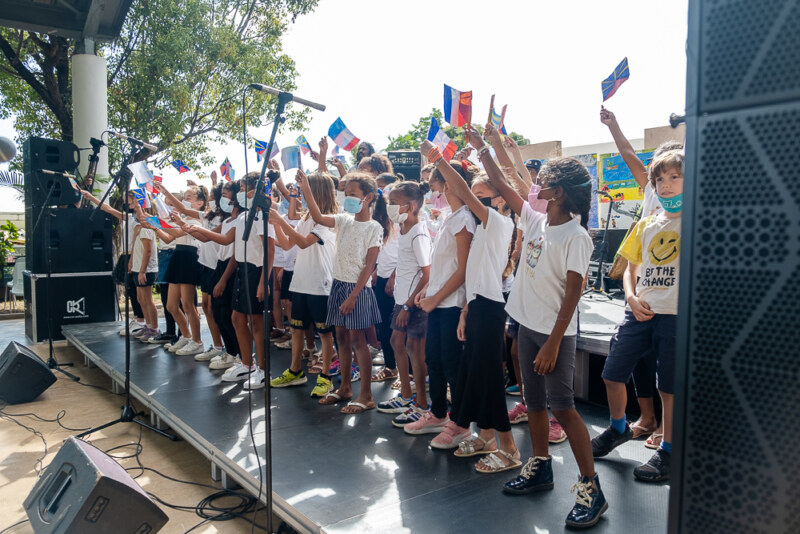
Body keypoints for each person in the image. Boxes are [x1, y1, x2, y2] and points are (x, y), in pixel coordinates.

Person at [419, 137, 521, 475]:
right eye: (474, 197)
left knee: (490, 380)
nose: (473, 202)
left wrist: (438, 158)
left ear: (502, 202)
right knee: (476, 377)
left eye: (481, 198)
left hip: (491, 311)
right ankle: (487, 437)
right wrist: (464, 312)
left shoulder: (499, 224)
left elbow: (460, 189)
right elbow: (474, 276)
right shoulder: (482, 230)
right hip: (477, 308)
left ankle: (509, 449)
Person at [591, 150, 684, 483]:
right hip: (641, 310)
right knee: (612, 373)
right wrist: (630, 297)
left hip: (675, 315)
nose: (666, 185)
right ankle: (618, 429)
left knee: (669, 388)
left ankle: (670, 450)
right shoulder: (647, 223)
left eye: (675, 177)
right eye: (660, 179)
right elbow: (631, 269)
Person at [300, 170, 387, 414]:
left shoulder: (374, 227)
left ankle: (366, 395)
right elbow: (317, 215)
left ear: (368, 197)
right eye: (346, 194)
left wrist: (352, 297)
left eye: (353, 194)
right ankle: (345, 388)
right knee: (342, 340)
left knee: (359, 341)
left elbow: (369, 267)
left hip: (356, 290)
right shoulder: (343, 220)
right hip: (338, 284)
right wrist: (306, 186)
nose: (347, 198)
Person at [403, 161, 477, 444]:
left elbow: (463, 269)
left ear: (449, 184)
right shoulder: (451, 217)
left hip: (451, 305)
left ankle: (460, 423)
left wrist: (437, 297)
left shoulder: (465, 219)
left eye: (435, 186)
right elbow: (444, 265)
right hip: (438, 303)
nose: (434, 193)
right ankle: (438, 414)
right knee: (433, 359)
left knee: (451, 365)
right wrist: (428, 293)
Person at [183, 172, 275, 390]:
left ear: (258, 190)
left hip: (256, 271)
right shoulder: (243, 217)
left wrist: (264, 282)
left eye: (245, 188)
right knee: (236, 318)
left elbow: (269, 250)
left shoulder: (263, 217)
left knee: (256, 322)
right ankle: (246, 363)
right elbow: (225, 239)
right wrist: (197, 230)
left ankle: (262, 369)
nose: (240, 193)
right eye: (241, 188)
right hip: (242, 271)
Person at [269, 170, 338, 399]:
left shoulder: (327, 220)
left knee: (325, 333)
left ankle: (326, 376)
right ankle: (295, 370)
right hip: (301, 283)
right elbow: (288, 245)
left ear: (317, 193)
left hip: (320, 285)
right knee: (297, 328)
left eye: (306, 190)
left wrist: (281, 220)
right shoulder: (307, 218)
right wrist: (275, 224)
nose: (301, 195)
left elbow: (303, 243)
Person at [376, 181, 433, 427]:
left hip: (414, 303)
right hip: (402, 300)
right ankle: (407, 395)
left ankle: (421, 404)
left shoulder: (419, 233)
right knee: (396, 342)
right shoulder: (404, 229)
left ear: (409, 206)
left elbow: (428, 274)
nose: (389, 208)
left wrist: (409, 306)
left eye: (393, 204)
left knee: (415, 352)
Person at [81, 189, 147, 336]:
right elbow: (109, 209)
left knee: (136, 292)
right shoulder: (128, 217)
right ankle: (137, 318)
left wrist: (132, 260)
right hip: (126, 254)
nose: (126, 203)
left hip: (132, 255)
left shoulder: (140, 220)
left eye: (128, 200)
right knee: (130, 290)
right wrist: (91, 198)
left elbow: (137, 241)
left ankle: (142, 320)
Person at [153, 182, 208, 356]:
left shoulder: (198, 217)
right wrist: (154, 225)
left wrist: (162, 222)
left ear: (200, 202)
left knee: (188, 305)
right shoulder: (182, 217)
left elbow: (178, 232)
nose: (184, 201)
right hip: (178, 255)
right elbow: (170, 238)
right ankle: (186, 336)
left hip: (189, 257)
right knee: (170, 305)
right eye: (184, 198)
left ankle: (197, 341)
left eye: (189, 198)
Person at [195, 184, 226, 362]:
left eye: (217, 196)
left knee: (217, 309)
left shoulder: (229, 219)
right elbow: (184, 209)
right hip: (206, 265)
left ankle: (228, 349)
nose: (213, 199)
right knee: (206, 307)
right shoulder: (209, 215)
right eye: (212, 196)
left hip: (219, 266)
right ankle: (217, 346)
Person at [128, 198, 160, 341]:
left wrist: (142, 271)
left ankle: (155, 328)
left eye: (139, 209)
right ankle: (147, 325)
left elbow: (147, 251)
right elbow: (136, 248)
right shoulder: (139, 228)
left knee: (147, 299)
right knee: (140, 299)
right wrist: (132, 264)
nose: (135, 211)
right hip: (137, 268)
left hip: (146, 270)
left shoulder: (147, 229)